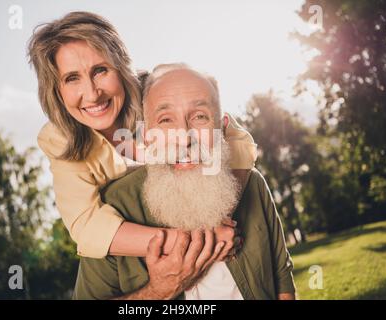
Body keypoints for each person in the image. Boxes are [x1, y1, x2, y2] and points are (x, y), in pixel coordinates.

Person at [27, 12, 257, 260]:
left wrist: (221, 214)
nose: (92, 94)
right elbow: (88, 226)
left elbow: (237, 139)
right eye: (72, 78)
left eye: (100, 71)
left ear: (121, 67)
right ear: (56, 92)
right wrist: (194, 241)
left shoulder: (157, 91)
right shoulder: (59, 140)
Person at [73, 64, 296, 300]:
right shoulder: (114, 205)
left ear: (221, 127)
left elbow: (281, 276)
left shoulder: (252, 184)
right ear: (146, 136)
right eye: (166, 120)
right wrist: (158, 291)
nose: (184, 138)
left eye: (200, 117)